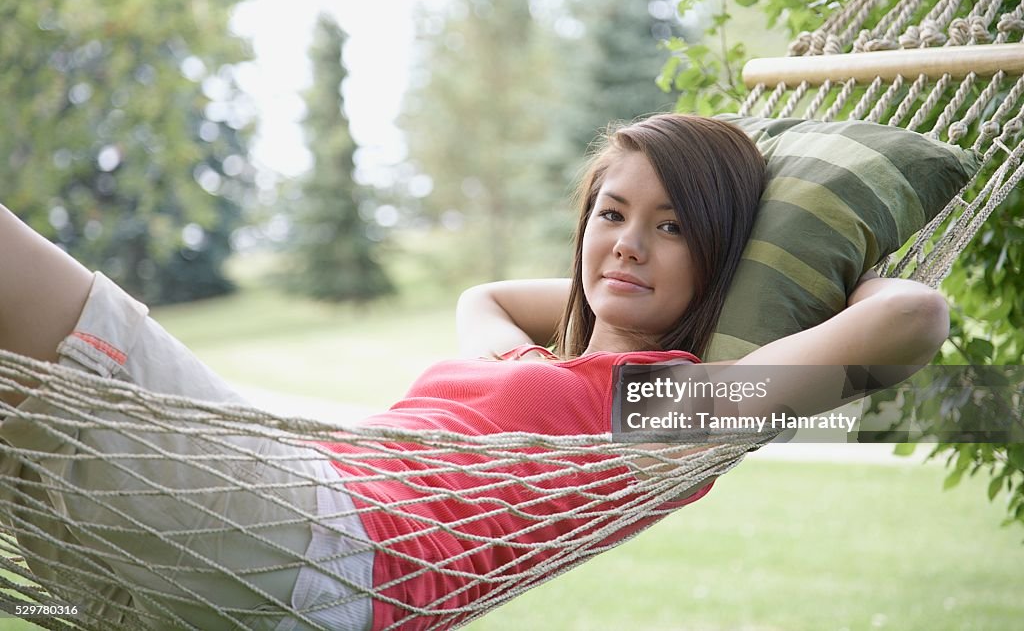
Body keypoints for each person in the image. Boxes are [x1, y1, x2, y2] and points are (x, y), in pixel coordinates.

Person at [0, 114, 949, 630]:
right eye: (610, 214)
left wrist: (803, 275)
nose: (627, 245)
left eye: (673, 227)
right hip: (287, 518)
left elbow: (912, 318)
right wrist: (608, 287)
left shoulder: (669, 409)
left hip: (328, 547)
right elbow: (486, 296)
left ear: (719, 255)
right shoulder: (533, 364)